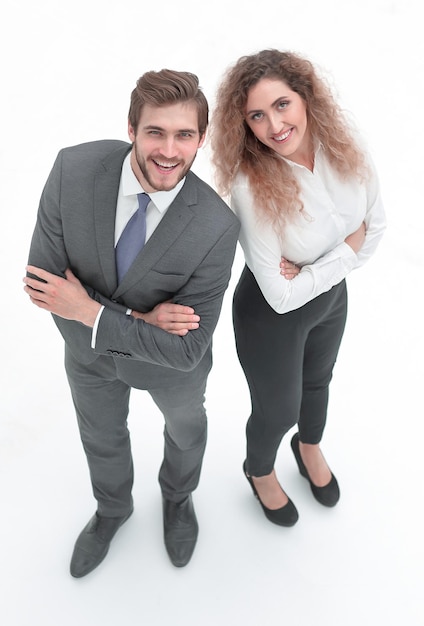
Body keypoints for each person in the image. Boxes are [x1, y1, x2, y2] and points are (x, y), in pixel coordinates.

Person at [23, 69, 240, 576]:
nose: (168, 150)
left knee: (186, 434)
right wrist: (136, 318)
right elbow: (42, 285)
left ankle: (177, 498)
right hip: (87, 356)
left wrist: (90, 310)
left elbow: (187, 349)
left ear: (201, 139)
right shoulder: (72, 170)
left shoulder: (216, 226)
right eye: (155, 132)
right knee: (100, 435)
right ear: (131, 129)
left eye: (184, 135)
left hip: (172, 371)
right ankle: (113, 509)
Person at [210, 49, 386, 526]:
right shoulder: (251, 187)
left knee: (318, 384)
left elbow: (377, 228)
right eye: (257, 116)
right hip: (271, 319)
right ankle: (259, 470)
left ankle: (308, 448)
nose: (275, 125)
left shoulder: (346, 146)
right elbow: (281, 295)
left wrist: (312, 271)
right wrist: (345, 252)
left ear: (305, 97)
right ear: (245, 125)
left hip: (331, 300)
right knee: (278, 407)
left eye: (282, 104)